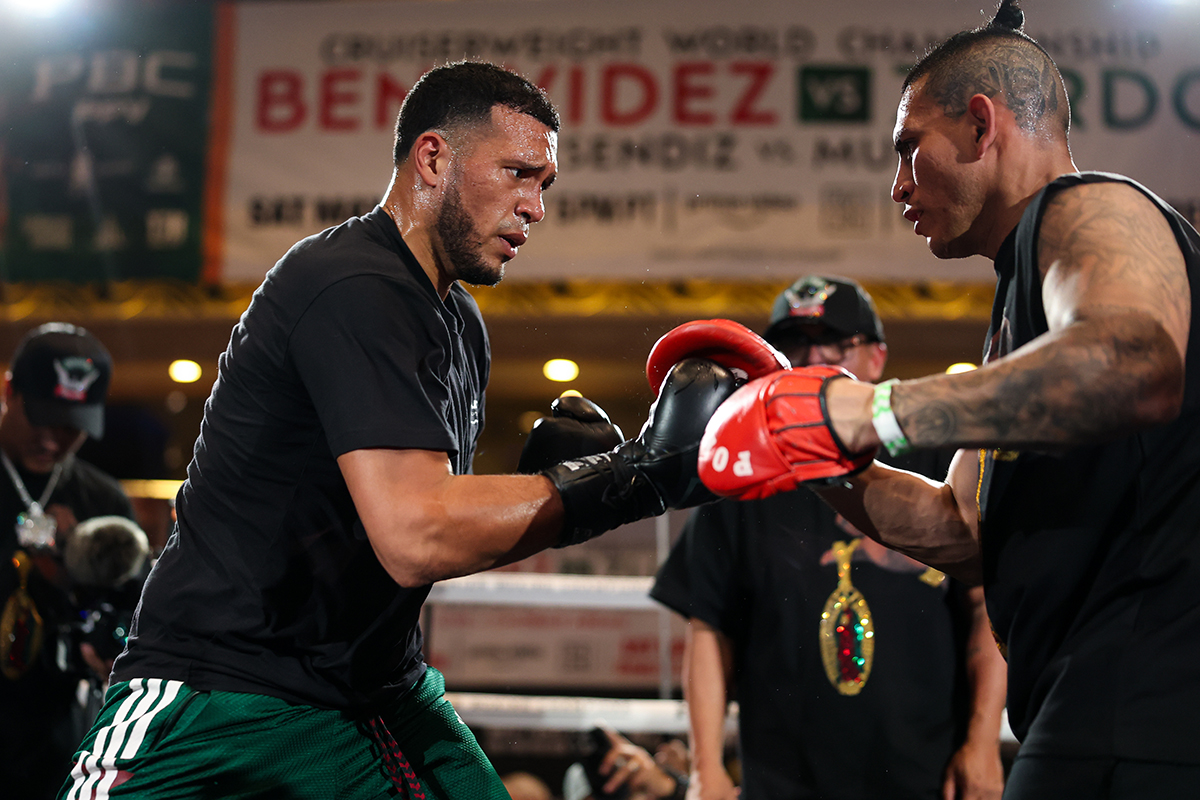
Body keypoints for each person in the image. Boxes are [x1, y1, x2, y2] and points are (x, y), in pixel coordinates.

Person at [60, 61, 778, 800]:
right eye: (518, 173)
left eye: (546, 185)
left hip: (370, 690)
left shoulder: (458, 324)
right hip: (220, 691)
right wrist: (625, 480)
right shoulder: (349, 286)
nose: (535, 206)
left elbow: (426, 525)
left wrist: (572, 493)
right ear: (433, 158)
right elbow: (414, 537)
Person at [697, 2, 1200, 798]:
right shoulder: (1017, 305)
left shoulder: (1090, 208)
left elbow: (1135, 359)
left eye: (908, 148)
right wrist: (800, 442)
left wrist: (874, 410)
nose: (897, 184)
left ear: (978, 125)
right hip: (1098, 695)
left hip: (1150, 698)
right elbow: (959, 525)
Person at [652, 276, 1007, 800]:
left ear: (877, 358)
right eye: (795, 345)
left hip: (924, 775)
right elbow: (710, 630)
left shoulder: (935, 463)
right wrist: (707, 769)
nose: (814, 356)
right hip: (782, 777)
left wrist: (983, 744)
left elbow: (985, 613)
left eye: (837, 342)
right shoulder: (741, 471)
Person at [0, 322, 141, 800]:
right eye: (41, 417)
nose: (53, 439)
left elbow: (131, 615)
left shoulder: (102, 499)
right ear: (8, 390)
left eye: (72, 427)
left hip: (53, 734)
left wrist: (75, 584)